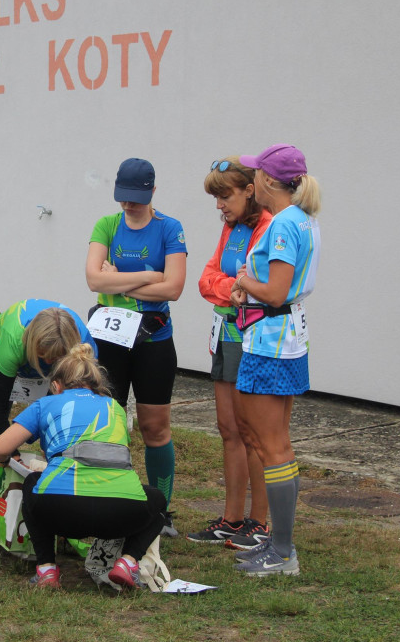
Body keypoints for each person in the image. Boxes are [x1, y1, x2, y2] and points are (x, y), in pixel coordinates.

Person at [0, 343, 167, 589]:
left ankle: (47, 569)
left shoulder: (46, 404)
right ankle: (128, 562)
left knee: (32, 483)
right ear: (96, 383)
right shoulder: (114, 406)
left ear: (56, 385)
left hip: (62, 512)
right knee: (157, 499)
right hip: (122, 515)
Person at [229, 144, 321, 577]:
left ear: (267, 181)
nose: (251, 183)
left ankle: (283, 552)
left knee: (272, 445)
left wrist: (244, 280)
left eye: (255, 175)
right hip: (281, 338)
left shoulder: (284, 224)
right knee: (271, 441)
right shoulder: (302, 219)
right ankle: (277, 543)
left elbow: (277, 291)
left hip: (271, 340)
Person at [84, 157, 187, 536]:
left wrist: (119, 279)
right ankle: (112, 499)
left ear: (152, 192)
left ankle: (161, 510)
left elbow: (174, 288)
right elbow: (94, 279)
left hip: (153, 340)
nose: (128, 206)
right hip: (110, 339)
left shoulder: (169, 229)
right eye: (123, 198)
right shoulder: (107, 225)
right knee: (109, 423)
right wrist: (147, 276)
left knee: (154, 427)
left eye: (136, 199)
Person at [187, 157, 273, 548]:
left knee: (253, 431)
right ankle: (232, 518)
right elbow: (208, 280)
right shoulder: (231, 228)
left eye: (225, 196)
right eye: (216, 198)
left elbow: (257, 285)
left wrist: (237, 287)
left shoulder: (268, 226)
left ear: (249, 190)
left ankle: (260, 521)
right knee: (228, 428)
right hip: (225, 332)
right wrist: (231, 288)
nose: (219, 205)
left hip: (252, 335)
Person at [0, 299, 98, 478]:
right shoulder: (13, 340)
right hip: (5, 346)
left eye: (55, 358)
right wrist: (13, 456)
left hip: (59, 353)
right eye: (43, 356)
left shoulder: (83, 344)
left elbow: (79, 408)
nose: (48, 363)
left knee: (59, 430)